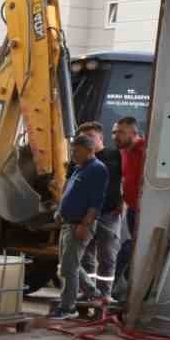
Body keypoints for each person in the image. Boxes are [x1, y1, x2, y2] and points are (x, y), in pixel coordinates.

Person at [52, 133, 107, 320]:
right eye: (73, 149)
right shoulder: (79, 168)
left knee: (68, 267)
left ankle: (68, 308)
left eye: (77, 149)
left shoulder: (97, 169)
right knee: (69, 264)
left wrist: (85, 225)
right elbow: (68, 192)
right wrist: (60, 211)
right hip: (68, 223)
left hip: (79, 225)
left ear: (89, 150)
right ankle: (93, 291)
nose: (73, 153)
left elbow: (96, 202)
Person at [75, 120, 123, 300]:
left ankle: (105, 294)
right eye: (83, 138)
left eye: (91, 137)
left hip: (109, 214)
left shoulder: (115, 155)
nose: (87, 141)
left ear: (101, 138)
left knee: (108, 256)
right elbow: (70, 183)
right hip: (84, 215)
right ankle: (88, 292)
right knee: (86, 257)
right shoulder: (79, 159)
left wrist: (122, 199)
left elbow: (128, 177)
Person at [113, 116, 147, 298]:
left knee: (130, 247)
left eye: (121, 133)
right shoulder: (124, 151)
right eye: (115, 132)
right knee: (129, 247)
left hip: (146, 211)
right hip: (132, 208)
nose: (115, 136)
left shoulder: (146, 149)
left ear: (134, 134)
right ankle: (120, 289)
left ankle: (117, 286)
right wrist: (121, 199)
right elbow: (125, 178)